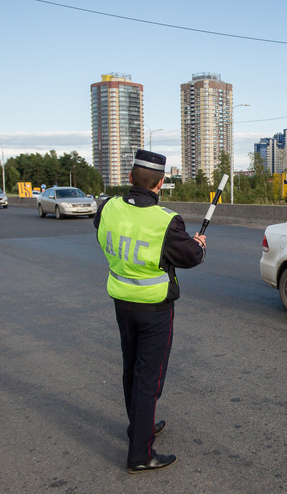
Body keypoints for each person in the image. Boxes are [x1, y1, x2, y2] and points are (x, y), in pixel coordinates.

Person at [94, 149, 206, 474]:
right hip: (155, 310)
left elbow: (104, 234)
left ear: (130, 179)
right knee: (149, 380)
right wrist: (198, 244)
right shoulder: (166, 222)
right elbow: (190, 257)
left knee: (132, 370)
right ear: (160, 183)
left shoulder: (108, 208)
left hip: (122, 304)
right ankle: (140, 455)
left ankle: (139, 427)